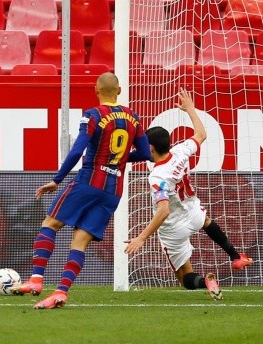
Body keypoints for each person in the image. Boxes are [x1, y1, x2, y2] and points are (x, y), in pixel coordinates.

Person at [13, 72, 152, 309]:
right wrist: (115, 160)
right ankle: (60, 293)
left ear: (96, 89)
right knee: (80, 242)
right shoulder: (134, 117)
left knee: (50, 224)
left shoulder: (93, 115)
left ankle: (36, 280)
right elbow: (146, 154)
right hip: (113, 191)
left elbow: (78, 151)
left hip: (88, 181)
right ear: (119, 91)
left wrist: (57, 179)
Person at [124, 88, 252, 300]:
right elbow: (201, 134)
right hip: (193, 211)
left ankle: (207, 282)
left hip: (174, 226)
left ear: (152, 148)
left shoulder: (157, 177)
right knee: (207, 222)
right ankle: (236, 256)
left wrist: (141, 237)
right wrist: (190, 109)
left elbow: (163, 211)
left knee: (184, 277)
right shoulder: (180, 150)